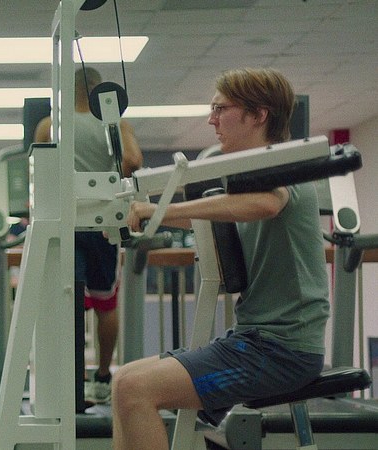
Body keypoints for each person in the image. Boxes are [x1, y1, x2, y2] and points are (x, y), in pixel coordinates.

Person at [112, 68, 328, 450]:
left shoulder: (283, 167)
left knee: (136, 390)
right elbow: (231, 212)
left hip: (282, 351)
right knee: (122, 381)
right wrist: (150, 215)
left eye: (220, 109)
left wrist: (159, 210)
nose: (211, 120)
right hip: (254, 340)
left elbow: (266, 203)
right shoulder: (252, 174)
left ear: (258, 114)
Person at [34, 67, 143, 405]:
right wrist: (108, 178)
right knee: (105, 303)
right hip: (102, 222)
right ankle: (102, 376)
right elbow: (133, 160)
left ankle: (74, 378)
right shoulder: (116, 124)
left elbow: (40, 171)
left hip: (65, 223)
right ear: (100, 92)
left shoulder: (51, 124)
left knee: (70, 301)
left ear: (66, 90)